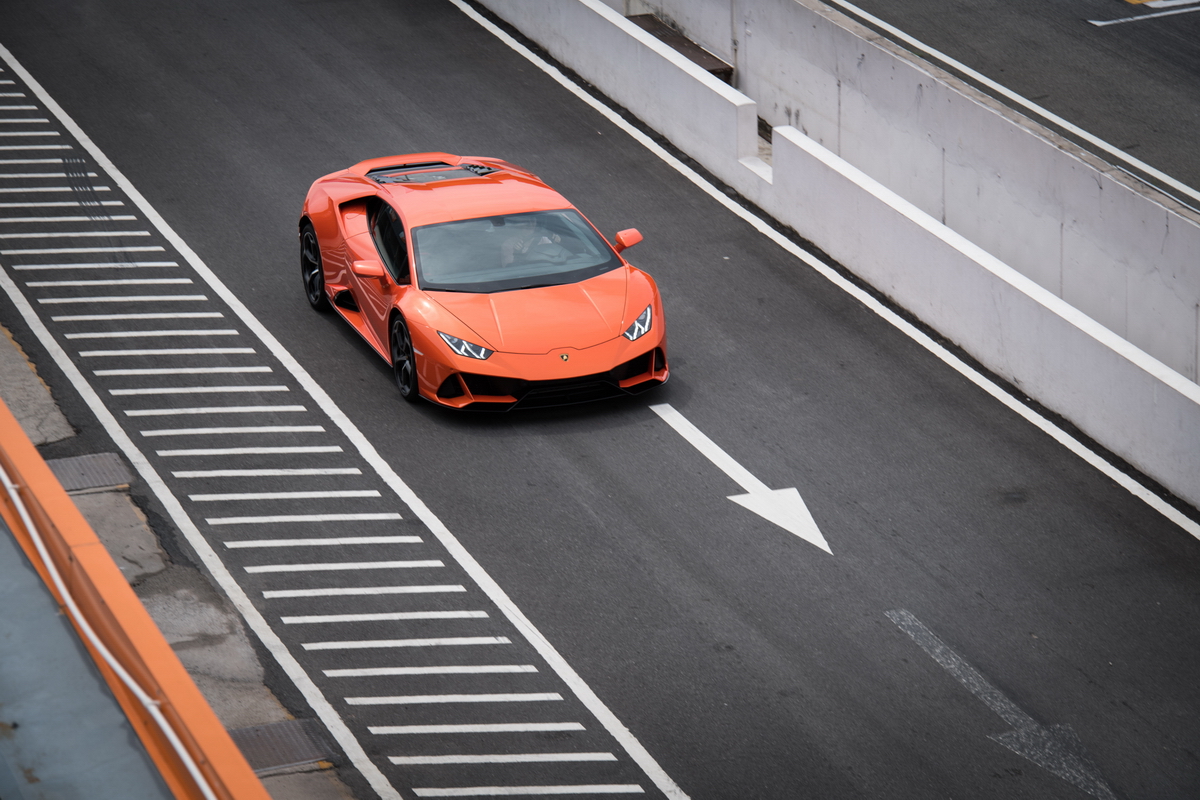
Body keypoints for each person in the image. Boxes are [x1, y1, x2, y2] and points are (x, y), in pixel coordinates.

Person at [499, 216, 567, 267]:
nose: (531, 224)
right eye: (527, 222)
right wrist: (517, 254)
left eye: (533, 221)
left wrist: (558, 244)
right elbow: (509, 270)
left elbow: (555, 261)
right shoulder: (508, 244)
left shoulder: (543, 239)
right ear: (519, 224)